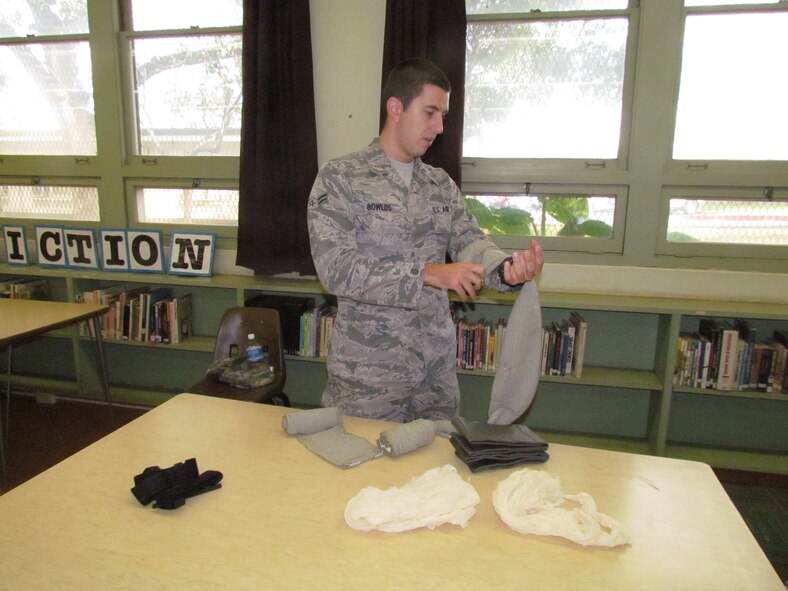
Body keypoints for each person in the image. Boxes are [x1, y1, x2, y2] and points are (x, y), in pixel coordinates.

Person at [307, 58, 544, 423]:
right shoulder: (341, 178)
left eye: (443, 115)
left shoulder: (439, 184)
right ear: (396, 108)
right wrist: (429, 274)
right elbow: (336, 269)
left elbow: (470, 241)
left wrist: (507, 269)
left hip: (435, 374)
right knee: (365, 474)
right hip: (369, 378)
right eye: (431, 112)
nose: (439, 127)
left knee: (437, 475)